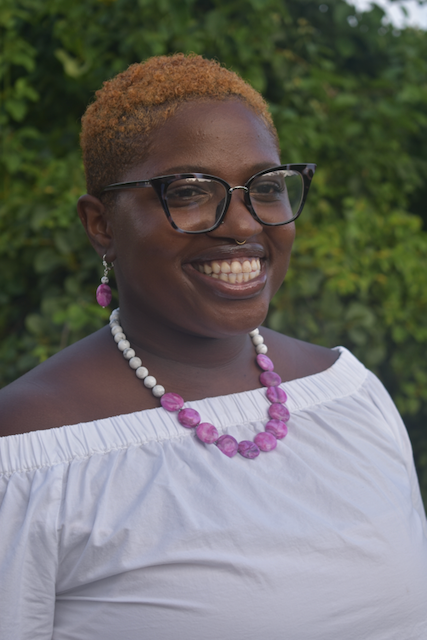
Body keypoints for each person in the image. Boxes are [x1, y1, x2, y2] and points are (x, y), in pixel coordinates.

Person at [0, 53, 426, 640]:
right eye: (190, 192)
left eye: (266, 187)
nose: (245, 224)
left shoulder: (350, 396)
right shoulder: (31, 448)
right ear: (101, 224)